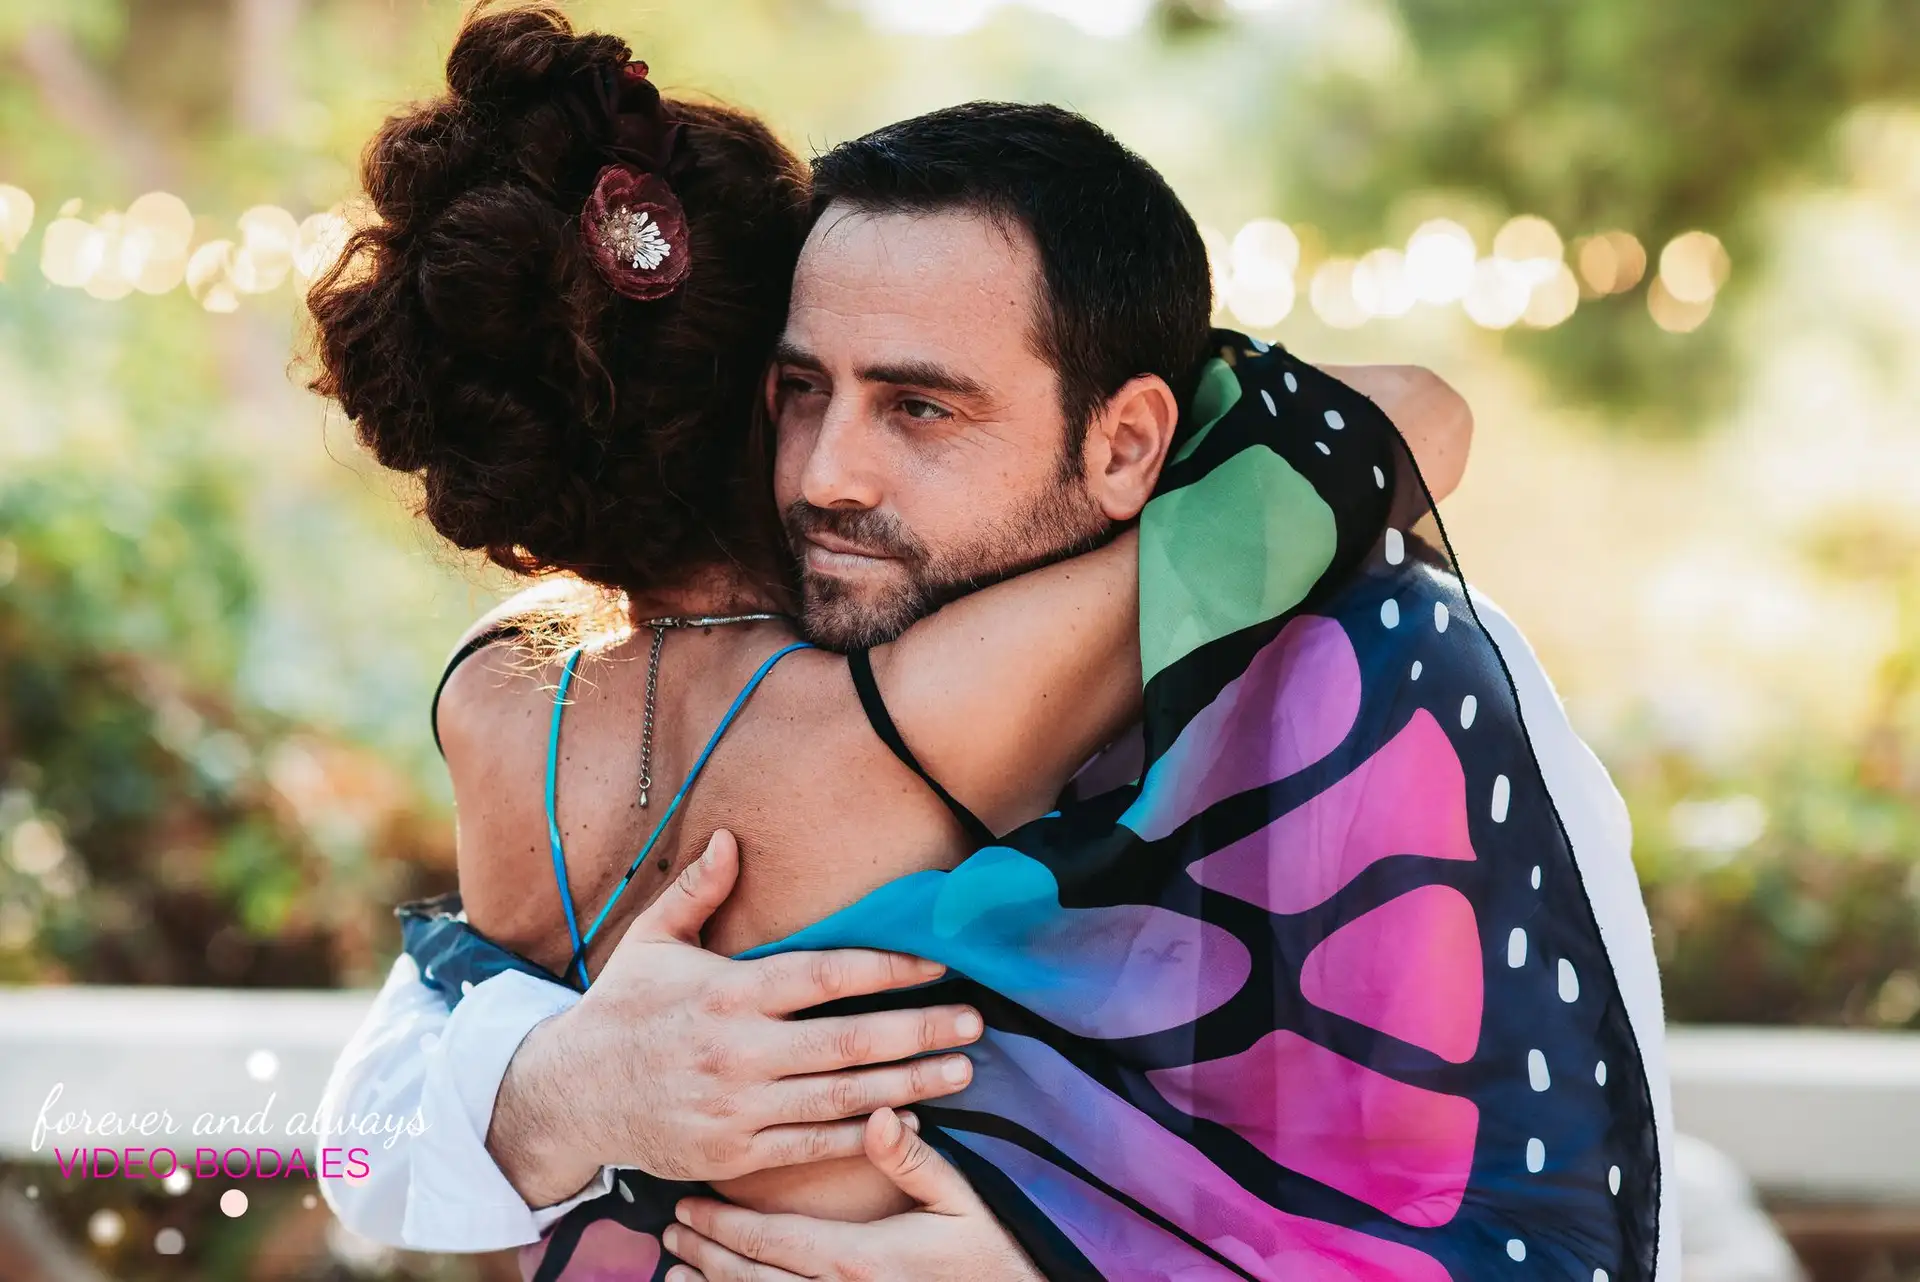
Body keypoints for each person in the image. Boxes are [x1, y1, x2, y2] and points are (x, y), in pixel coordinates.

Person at [312, 7, 1673, 1280]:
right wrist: (553, 1090)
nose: (831, 473)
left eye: (921, 407)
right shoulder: (901, 705)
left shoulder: (497, 686)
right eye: (799, 390)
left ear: (1130, 442)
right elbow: (370, 1138)